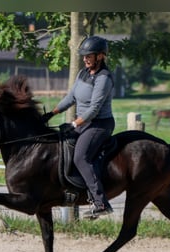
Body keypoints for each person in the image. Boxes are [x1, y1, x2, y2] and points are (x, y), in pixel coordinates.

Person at [42, 36, 115, 219]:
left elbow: (94, 109)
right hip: (84, 122)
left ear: (100, 56)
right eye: (83, 56)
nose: (84, 59)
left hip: (99, 124)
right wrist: (52, 113)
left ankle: (100, 203)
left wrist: (74, 124)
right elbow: (71, 97)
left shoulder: (103, 78)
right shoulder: (82, 73)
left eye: (88, 56)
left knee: (81, 157)